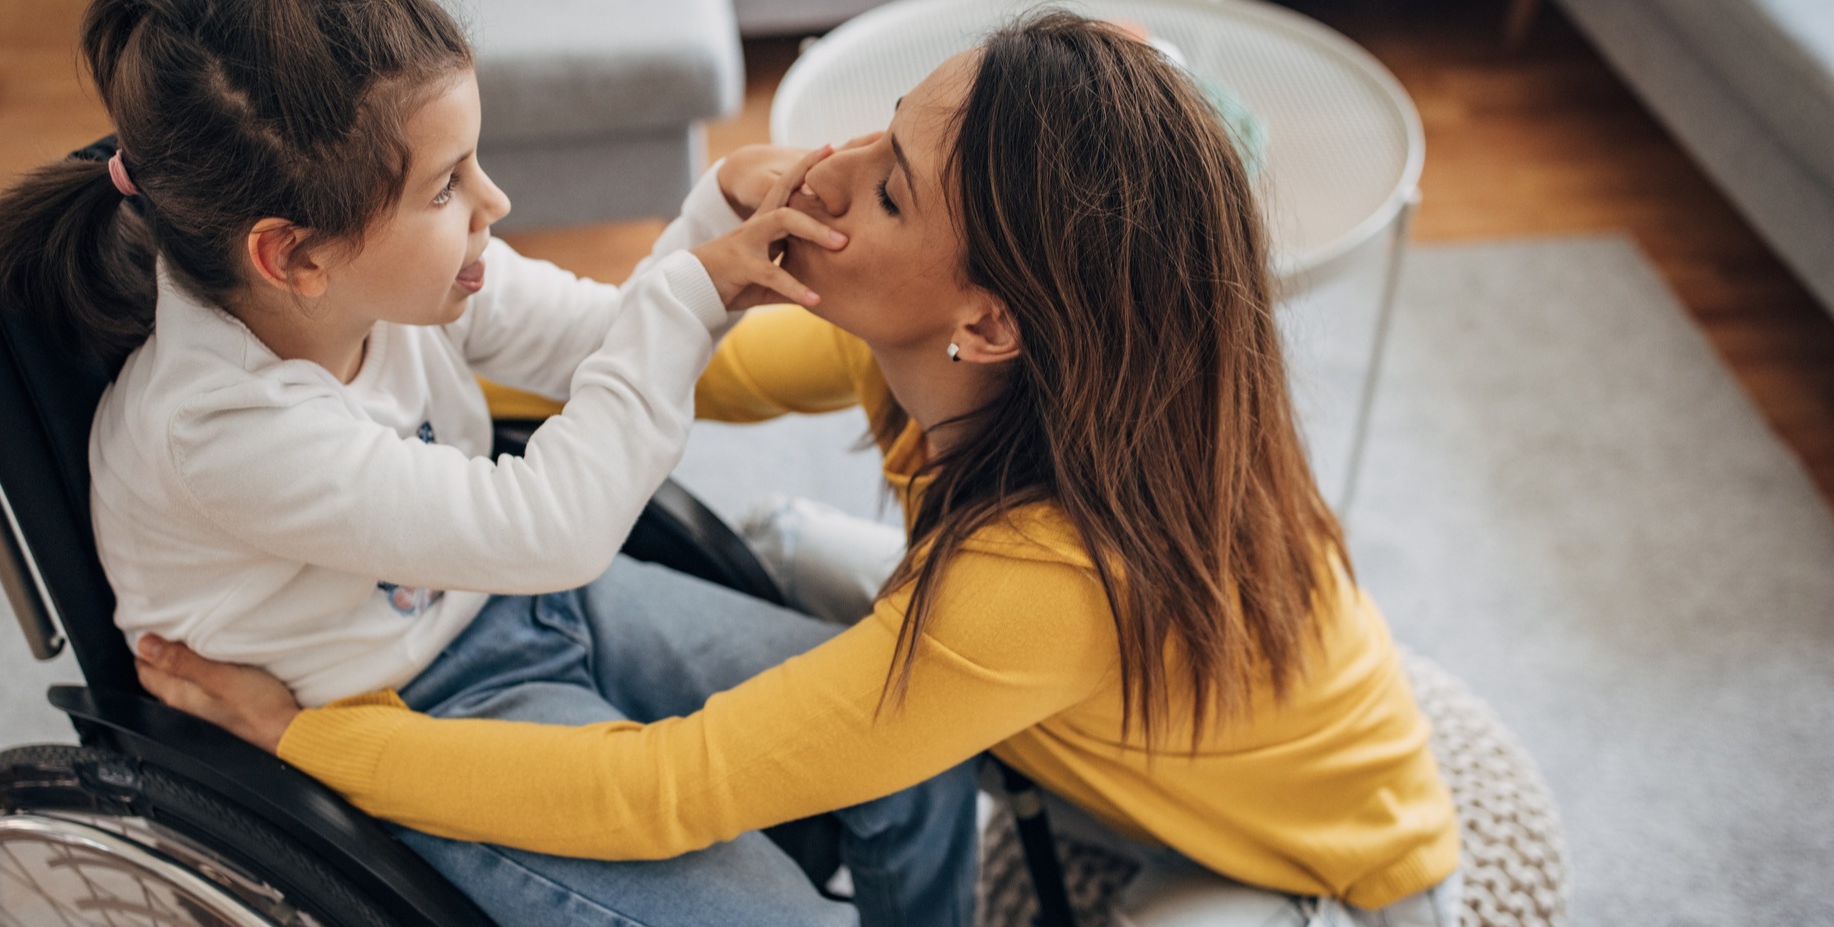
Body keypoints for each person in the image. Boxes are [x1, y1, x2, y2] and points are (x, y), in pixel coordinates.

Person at [137, 12, 1465, 927]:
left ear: (987, 320)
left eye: (892, 192)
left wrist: (314, 736)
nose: (833, 169)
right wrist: (371, 352)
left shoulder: (1041, 580)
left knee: (889, 670)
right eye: (883, 132)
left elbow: (663, 789)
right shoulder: (1000, 367)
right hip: (1103, 722)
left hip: (1322, 873)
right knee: (792, 552)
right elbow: (646, 372)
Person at [0, 0, 978, 924]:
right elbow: (556, 528)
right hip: (401, 714)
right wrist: (687, 295)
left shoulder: (398, 283)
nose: (492, 201)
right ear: (292, 256)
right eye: (447, 183)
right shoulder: (219, 427)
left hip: (499, 606)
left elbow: (608, 342)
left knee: (907, 743)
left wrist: (713, 215)